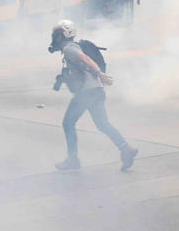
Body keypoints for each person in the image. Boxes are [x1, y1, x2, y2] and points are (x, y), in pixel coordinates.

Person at [48, 20, 138, 172]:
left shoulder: (70, 48)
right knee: (102, 124)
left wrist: (99, 73)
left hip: (86, 93)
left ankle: (73, 159)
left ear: (64, 35)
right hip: (96, 91)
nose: (54, 38)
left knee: (68, 123)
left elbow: (85, 59)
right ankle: (126, 149)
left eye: (56, 35)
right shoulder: (70, 48)